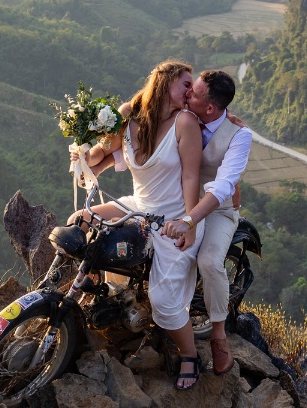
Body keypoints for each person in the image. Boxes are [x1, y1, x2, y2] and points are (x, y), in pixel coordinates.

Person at [68, 61, 205, 391]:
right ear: (165, 81)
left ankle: (189, 355)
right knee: (79, 222)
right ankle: (97, 292)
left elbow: (191, 175)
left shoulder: (185, 122)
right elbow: (102, 156)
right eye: (186, 84)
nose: (191, 91)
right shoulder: (128, 121)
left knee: (165, 303)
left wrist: (189, 223)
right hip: (138, 206)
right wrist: (83, 158)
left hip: (172, 216)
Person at [163, 69, 252, 375]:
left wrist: (190, 220)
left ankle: (218, 336)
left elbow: (223, 185)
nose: (187, 94)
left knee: (210, 261)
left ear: (211, 108)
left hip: (217, 211)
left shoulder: (240, 136)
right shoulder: (183, 113)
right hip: (175, 201)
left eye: (195, 94)